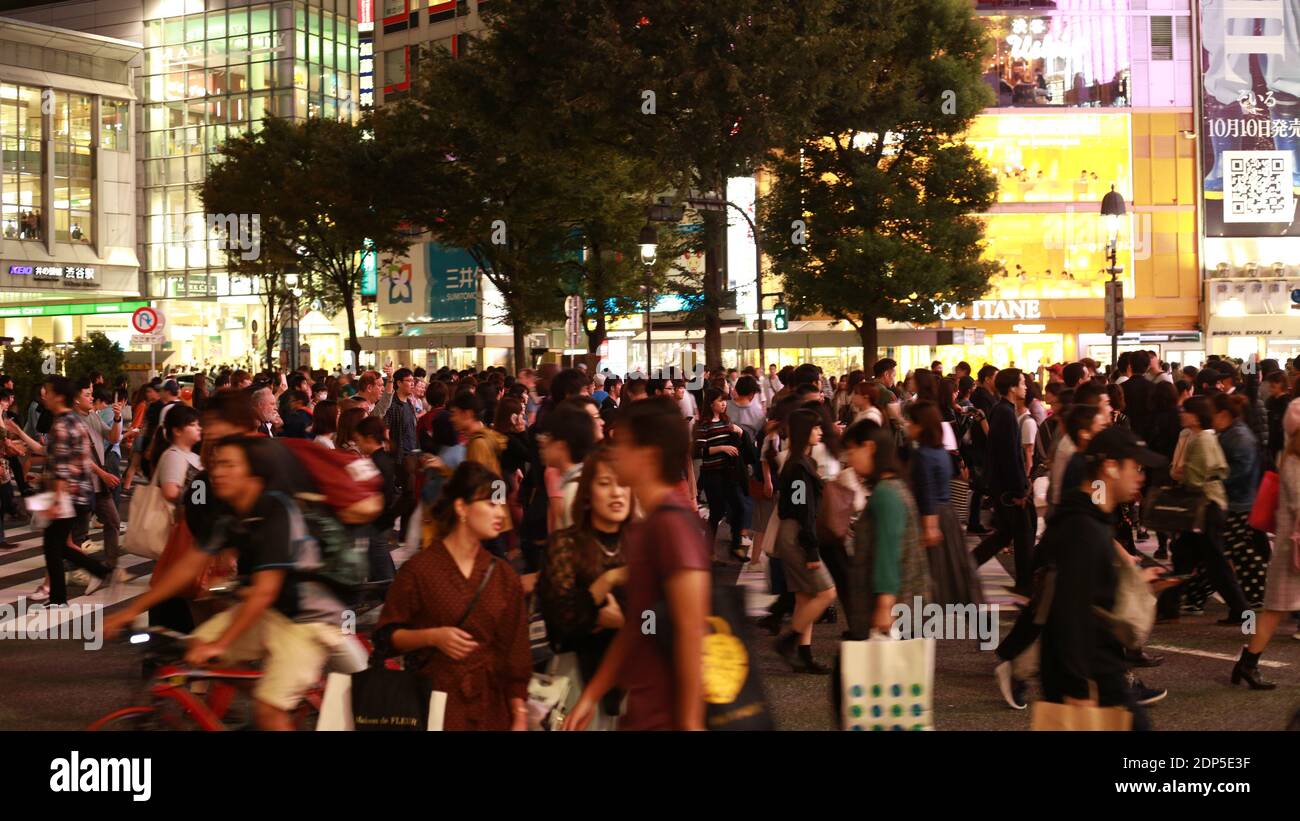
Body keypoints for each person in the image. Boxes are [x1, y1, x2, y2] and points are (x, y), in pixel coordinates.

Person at [565, 396, 709, 731]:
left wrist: (690, 723)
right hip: (646, 710)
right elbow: (639, 625)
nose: (613, 450)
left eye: (622, 442)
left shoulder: (671, 526)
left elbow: (692, 632)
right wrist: (592, 694)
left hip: (666, 715)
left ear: (648, 455)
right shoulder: (649, 526)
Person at [1038, 426, 1173, 731]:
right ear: (1111, 466)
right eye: (1135, 467)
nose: (1140, 476)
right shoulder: (1083, 528)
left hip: (1095, 667)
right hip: (1091, 673)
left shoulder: (1091, 516)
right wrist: (1077, 689)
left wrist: (1137, 583)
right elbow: (1067, 610)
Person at [537, 445, 631, 729]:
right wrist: (607, 582)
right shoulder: (566, 544)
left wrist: (624, 621)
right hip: (575, 673)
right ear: (588, 494)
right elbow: (561, 622)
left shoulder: (642, 544)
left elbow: (654, 620)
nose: (617, 492)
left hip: (633, 677)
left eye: (624, 483)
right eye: (605, 483)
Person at [839, 419, 930, 640]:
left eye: (852, 451)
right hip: (906, 604)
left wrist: (884, 605)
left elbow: (887, 552)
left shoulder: (885, 494)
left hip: (893, 608)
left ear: (869, 447)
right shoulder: (896, 486)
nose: (849, 460)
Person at [1165, 395, 1251, 623]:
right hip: (1209, 505)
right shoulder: (1208, 436)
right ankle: (1168, 607)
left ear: (1195, 416)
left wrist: (1178, 473)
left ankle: (1241, 610)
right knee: (1185, 557)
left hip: (1205, 506)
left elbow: (1193, 479)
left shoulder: (1200, 440)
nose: (1181, 414)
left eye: (1186, 411)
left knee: (1215, 563)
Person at [1231, 410, 1300, 689]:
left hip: (1291, 545)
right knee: (1275, 609)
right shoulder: (1293, 462)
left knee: (1275, 609)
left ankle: (1247, 664)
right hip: (1292, 548)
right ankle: (1248, 663)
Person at [34, 376, 112, 605]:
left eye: (46, 391)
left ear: (58, 396)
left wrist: (56, 501)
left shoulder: (62, 424)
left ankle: (62, 596)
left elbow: (62, 468)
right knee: (58, 546)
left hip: (67, 494)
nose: (43, 396)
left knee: (54, 546)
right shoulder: (75, 422)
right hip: (78, 493)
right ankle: (99, 574)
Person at [772, 408, 837, 674]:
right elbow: (803, 510)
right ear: (803, 432)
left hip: (795, 532)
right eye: (815, 428)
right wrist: (811, 550)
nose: (821, 431)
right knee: (826, 592)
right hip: (797, 534)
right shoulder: (799, 466)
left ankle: (804, 655)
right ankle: (789, 640)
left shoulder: (799, 462)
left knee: (805, 596)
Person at [907, 401, 981, 606]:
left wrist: (929, 527)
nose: (907, 425)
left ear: (920, 425)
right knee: (954, 573)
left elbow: (927, 492)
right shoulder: (940, 451)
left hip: (933, 517)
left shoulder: (922, 454)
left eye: (910, 422)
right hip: (947, 515)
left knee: (934, 573)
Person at [972, 368, 1034, 596]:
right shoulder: (1005, 413)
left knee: (1005, 533)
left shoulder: (1003, 410)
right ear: (1012, 388)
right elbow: (1009, 454)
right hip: (1008, 488)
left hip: (1003, 485)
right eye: (1022, 383)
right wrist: (1019, 489)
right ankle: (1026, 584)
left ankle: (968, 564)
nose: (1026, 387)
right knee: (1024, 534)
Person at [695, 386, 749, 564]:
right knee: (717, 512)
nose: (724, 404)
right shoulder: (704, 424)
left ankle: (736, 545)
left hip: (729, 472)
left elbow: (735, 445)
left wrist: (738, 433)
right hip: (712, 474)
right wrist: (721, 448)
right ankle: (708, 551)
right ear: (711, 404)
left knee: (739, 507)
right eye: (720, 400)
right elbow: (698, 451)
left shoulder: (726, 422)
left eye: (725, 400)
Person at [351, 416, 399, 582]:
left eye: (359, 440)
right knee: (381, 558)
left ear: (370, 438)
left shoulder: (377, 462)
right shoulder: (382, 458)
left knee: (381, 564)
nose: (357, 445)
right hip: (382, 520)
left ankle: (391, 596)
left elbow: (378, 493)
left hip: (377, 521)